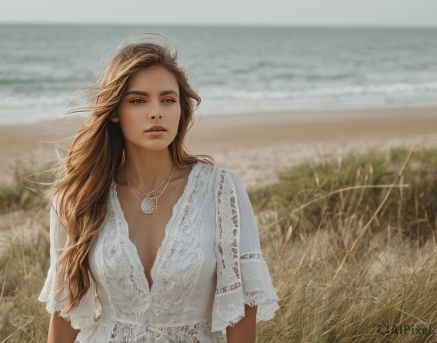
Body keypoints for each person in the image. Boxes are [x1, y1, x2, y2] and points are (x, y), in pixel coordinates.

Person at [39, 34, 279, 343]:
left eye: (167, 99)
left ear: (181, 110)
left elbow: (243, 307)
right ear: (114, 112)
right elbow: (66, 312)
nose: (157, 112)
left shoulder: (221, 190)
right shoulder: (79, 198)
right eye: (138, 100)